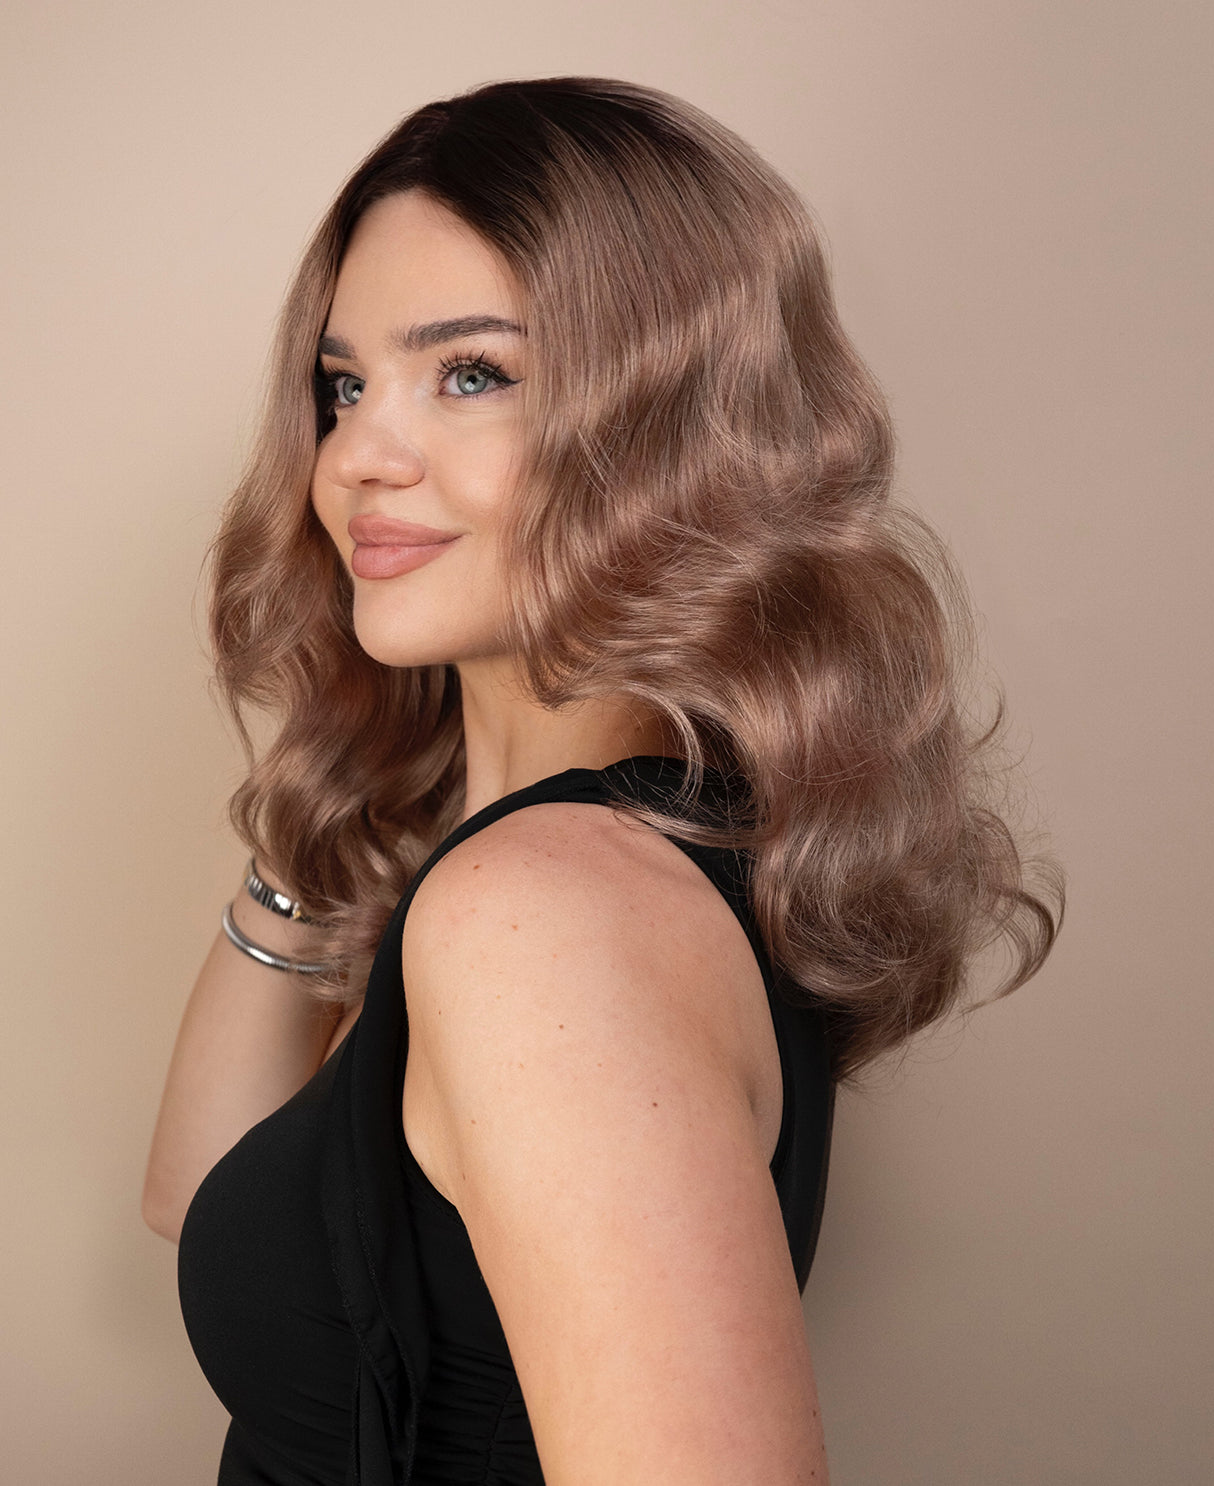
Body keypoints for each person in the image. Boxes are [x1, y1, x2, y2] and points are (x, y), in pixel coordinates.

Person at [143, 76, 1061, 1485]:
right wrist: (347, 781)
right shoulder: (574, 856)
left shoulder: (544, 913)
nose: (357, 462)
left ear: (667, 422)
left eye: (470, 375)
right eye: (344, 385)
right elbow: (202, 1189)